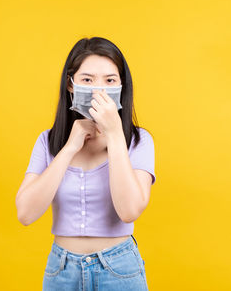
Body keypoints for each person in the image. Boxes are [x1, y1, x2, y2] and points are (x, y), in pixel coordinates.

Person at [16, 37, 156, 290]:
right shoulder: (48, 142)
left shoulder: (138, 141)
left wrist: (114, 134)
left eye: (110, 80)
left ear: (122, 86)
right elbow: (25, 213)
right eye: (87, 80)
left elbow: (129, 211)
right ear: (71, 85)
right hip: (62, 271)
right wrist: (69, 148)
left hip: (119, 269)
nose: (99, 90)